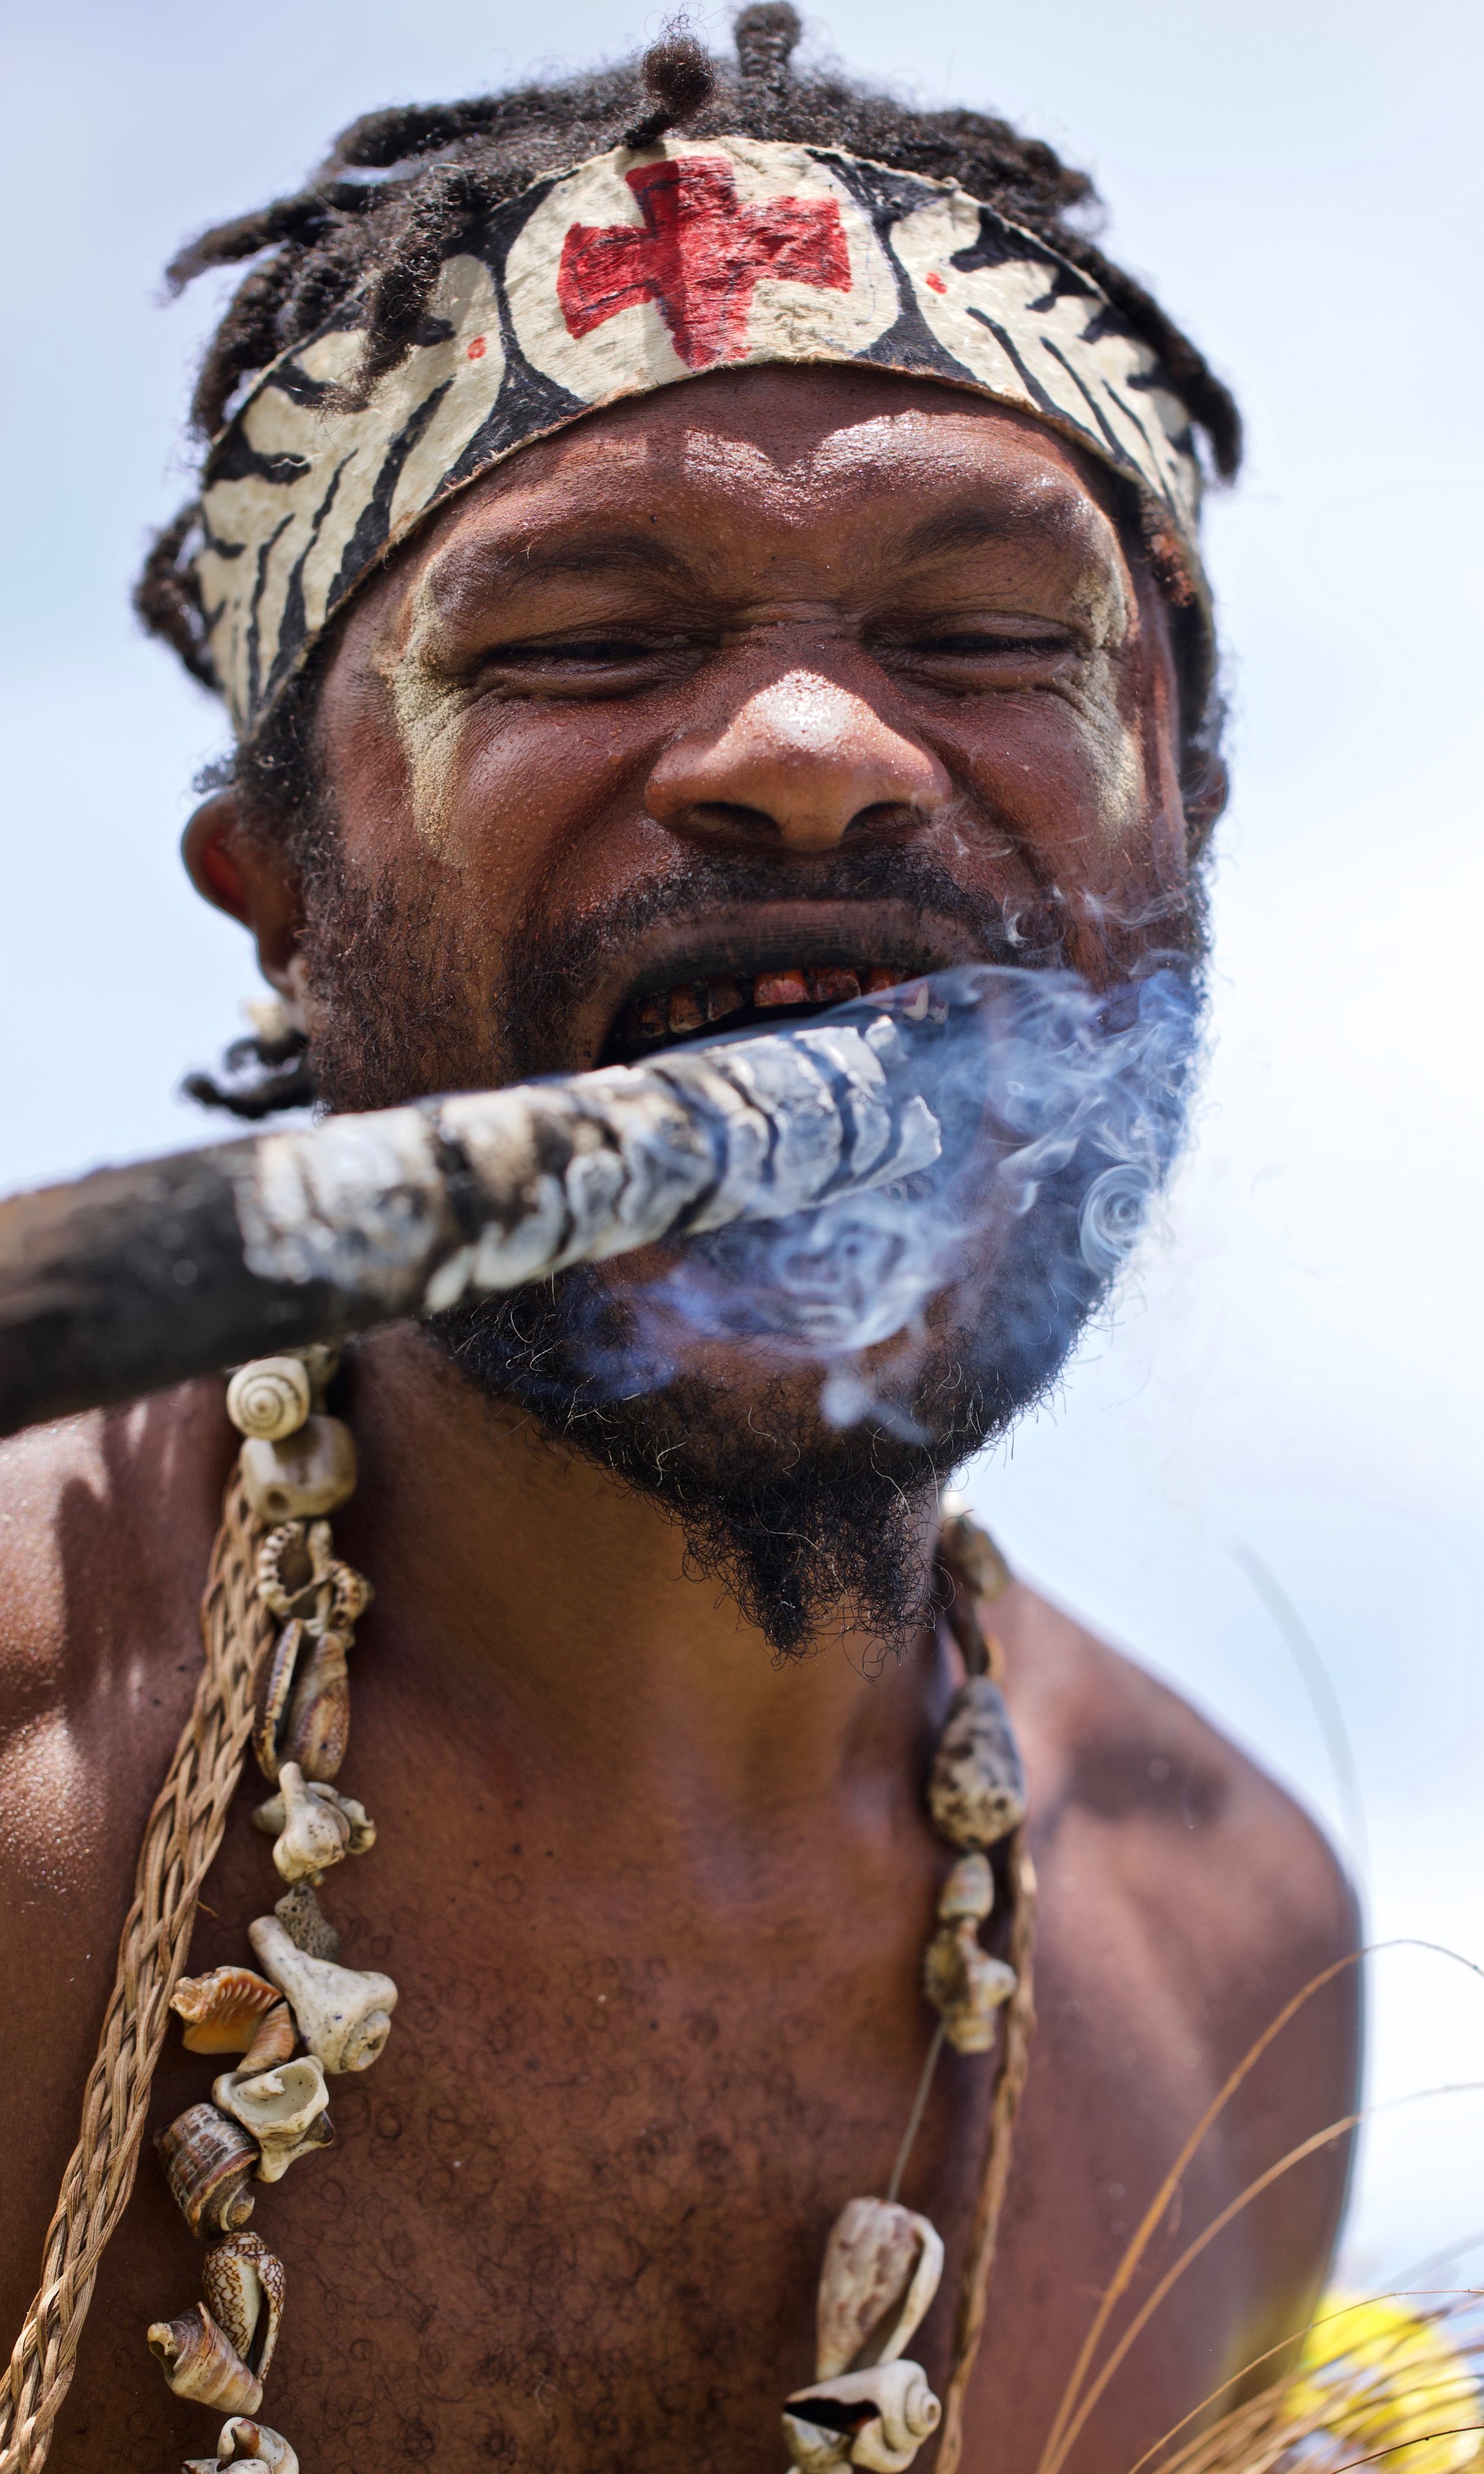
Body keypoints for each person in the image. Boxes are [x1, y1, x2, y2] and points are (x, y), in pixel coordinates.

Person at [0, 14, 1359, 2472]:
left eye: (983, 635)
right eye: (582, 641)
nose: (809, 748)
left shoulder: (1239, 1963)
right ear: (283, 898)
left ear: (1177, 838)